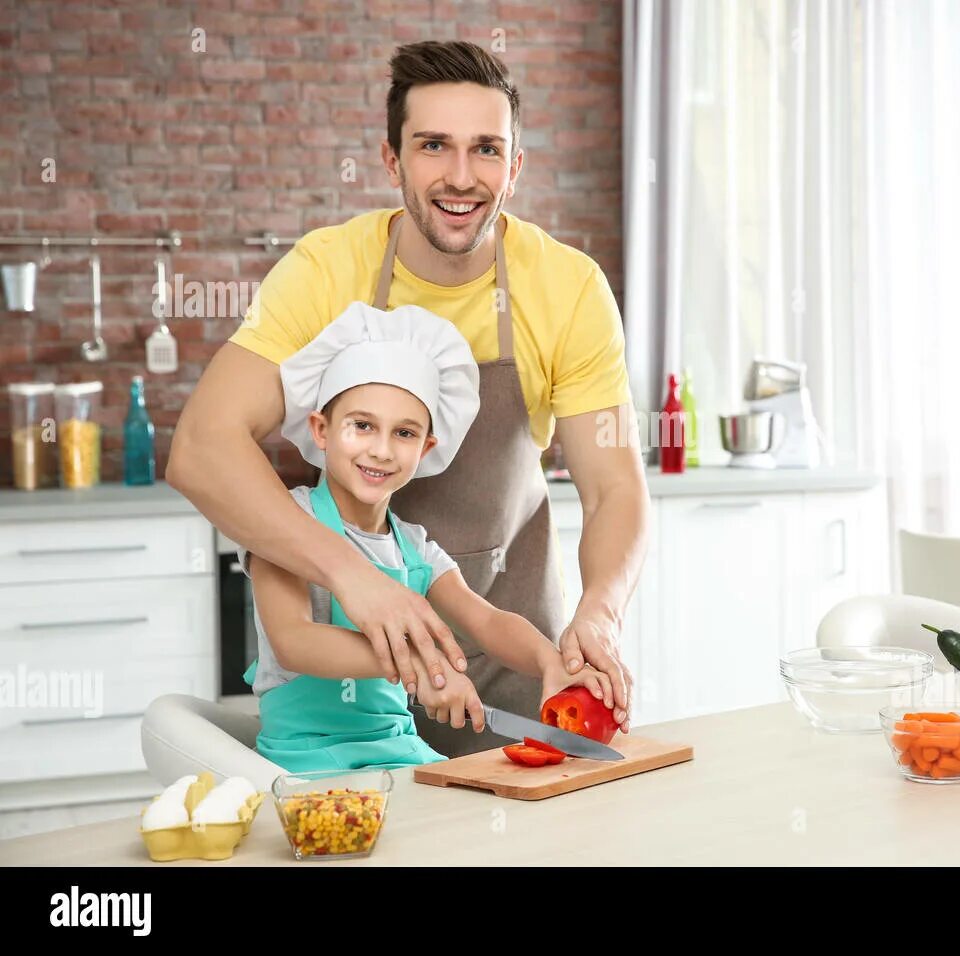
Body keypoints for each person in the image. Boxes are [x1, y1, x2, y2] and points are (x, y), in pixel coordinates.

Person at [169, 40, 649, 757]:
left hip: (514, 674)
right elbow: (202, 450)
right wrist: (355, 578)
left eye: (487, 149)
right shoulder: (326, 269)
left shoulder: (569, 287)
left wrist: (601, 616)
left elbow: (615, 489)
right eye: (433, 146)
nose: (461, 177)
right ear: (392, 160)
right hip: (351, 688)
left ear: (515, 167)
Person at [240, 302, 613, 771]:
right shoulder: (288, 522)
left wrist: (550, 662)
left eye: (404, 433)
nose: (380, 448)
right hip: (305, 761)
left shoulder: (413, 548)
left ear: (426, 448)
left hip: (401, 752)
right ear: (321, 429)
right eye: (362, 425)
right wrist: (420, 665)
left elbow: (488, 621)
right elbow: (295, 640)